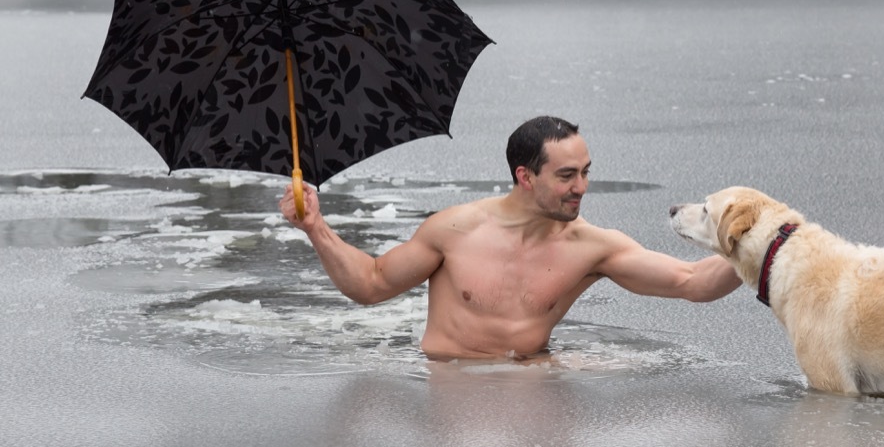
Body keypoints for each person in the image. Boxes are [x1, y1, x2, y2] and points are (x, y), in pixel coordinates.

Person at [280, 115, 740, 360]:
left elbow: (693, 282)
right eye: (565, 176)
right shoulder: (454, 230)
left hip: (533, 377)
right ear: (525, 176)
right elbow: (372, 284)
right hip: (449, 381)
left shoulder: (593, 246)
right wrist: (316, 228)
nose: (581, 187)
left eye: (585, 172)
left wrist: (760, 241)